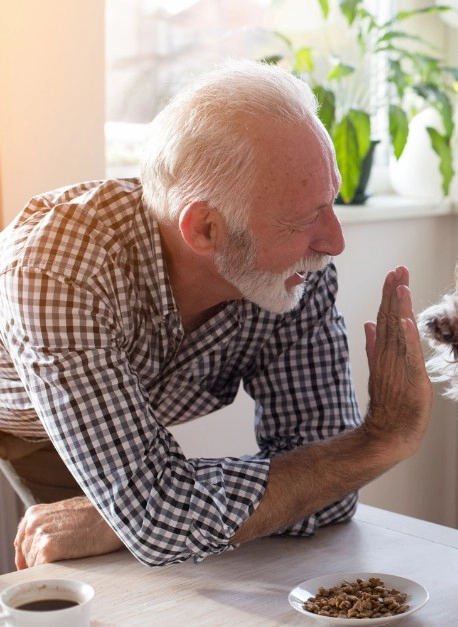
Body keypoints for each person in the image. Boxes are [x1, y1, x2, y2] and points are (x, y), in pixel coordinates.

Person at [0, 59, 432, 570]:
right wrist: (382, 440)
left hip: (115, 419)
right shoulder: (59, 269)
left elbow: (332, 492)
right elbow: (161, 522)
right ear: (205, 229)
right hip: (19, 419)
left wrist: (146, 510)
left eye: (330, 201)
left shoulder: (294, 274)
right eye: (304, 217)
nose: (334, 241)